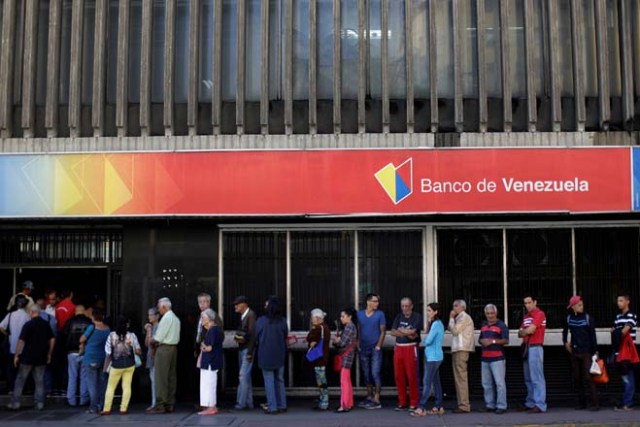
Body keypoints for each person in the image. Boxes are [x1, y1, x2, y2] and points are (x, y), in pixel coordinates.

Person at [7, 304, 55, 411]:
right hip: (41, 357)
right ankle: (39, 403)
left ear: (31, 312)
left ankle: (15, 403)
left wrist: (16, 355)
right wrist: (49, 354)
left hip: (27, 357)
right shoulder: (45, 324)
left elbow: (21, 341)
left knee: (20, 380)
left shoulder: (28, 325)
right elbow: (52, 339)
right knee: (39, 381)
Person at [562, 295, 598, 411]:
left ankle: (595, 403)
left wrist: (595, 352)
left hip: (587, 351)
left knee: (588, 377)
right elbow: (565, 331)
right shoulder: (568, 319)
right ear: (573, 307)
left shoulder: (588, 318)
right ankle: (582, 403)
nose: (581, 307)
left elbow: (593, 336)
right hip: (574, 352)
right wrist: (565, 342)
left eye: (582, 305)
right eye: (579, 305)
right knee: (577, 378)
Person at [101, 316, 142, 415]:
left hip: (116, 365)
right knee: (127, 386)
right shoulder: (132, 335)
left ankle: (106, 409)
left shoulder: (111, 335)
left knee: (111, 387)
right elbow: (138, 350)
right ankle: (123, 409)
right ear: (127, 325)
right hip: (129, 365)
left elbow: (107, 352)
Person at [147, 297, 181, 414]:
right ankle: (170, 403)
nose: (158, 310)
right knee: (171, 377)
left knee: (160, 378)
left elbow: (158, 337)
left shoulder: (166, 319)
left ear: (164, 307)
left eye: (159, 307)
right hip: (173, 349)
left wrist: (151, 339)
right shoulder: (176, 319)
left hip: (163, 348)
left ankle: (160, 404)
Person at [411, 302, 445, 417]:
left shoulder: (435, 324)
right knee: (436, 382)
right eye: (427, 310)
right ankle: (439, 405)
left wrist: (423, 340)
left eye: (429, 310)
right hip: (435, 356)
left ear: (436, 312)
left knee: (427, 382)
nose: (427, 313)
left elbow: (429, 340)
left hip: (433, 357)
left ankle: (421, 407)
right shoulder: (437, 324)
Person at [256, 296, 288, 415]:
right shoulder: (283, 321)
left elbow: (256, 336)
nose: (264, 307)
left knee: (269, 381)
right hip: (280, 354)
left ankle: (272, 407)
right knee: (279, 379)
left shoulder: (261, 321)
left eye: (266, 305)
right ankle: (282, 404)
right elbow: (285, 335)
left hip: (265, 354)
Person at [390, 297, 422, 411]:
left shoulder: (417, 316)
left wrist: (401, 330)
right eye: (402, 306)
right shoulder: (399, 316)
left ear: (411, 306)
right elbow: (393, 332)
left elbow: (414, 332)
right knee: (399, 377)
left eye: (407, 306)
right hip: (399, 348)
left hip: (411, 348)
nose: (405, 308)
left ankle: (414, 402)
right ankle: (402, 402)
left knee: (412, 376)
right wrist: (406, 332)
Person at [518, 294, 547, 413]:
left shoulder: (540, 314)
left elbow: (530, 330)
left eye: (529, 302)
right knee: (528, 378)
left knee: (537, 378)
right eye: (525, 303)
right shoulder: (526, 317)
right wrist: (526, 331)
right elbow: (520, 333)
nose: (527, 305)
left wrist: (525, 331)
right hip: (527, 347)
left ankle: (540, 404)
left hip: (535, 347)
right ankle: (531, 402)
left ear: (535, 302)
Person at [357, 293, 386, 409]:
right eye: (374, 301)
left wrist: (379, 345)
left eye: (377, 301)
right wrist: (358, 343)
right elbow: (358, 329)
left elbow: (383, 331)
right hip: (363, 348)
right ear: (368, 302)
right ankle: (369, 396)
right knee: (366, 374)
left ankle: (377, 399)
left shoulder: (380, 314)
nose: (377, 303)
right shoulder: (359, 314)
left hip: (375, 349)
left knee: (375, 373)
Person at [478, 304, 509, 414]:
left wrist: (493, 341)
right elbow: (480, 339)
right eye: (488, 313)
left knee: (499, 383)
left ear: (496, 313)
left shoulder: (501, 325)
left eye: (492, 313)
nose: (490, 316)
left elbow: (506, 340)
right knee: (486, 384)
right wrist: (482, 341)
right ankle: (489, 405)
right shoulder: (484, 325)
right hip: (485, 357)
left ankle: (501, 406)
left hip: (498, 358)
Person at [80, 308, 111, 414]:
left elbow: (82, 339)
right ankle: (102, 405)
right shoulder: (107, 329)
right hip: (103, 359)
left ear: (93, 317)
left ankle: (93, 407)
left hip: (90, 358)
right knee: (102, 384)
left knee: (92, 384)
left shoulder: (92, 327)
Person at [448, 299, 474, 413]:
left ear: (463, 307)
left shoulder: (464, 317)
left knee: (461, 378)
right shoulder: (459, 318)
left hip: (461, 349)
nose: (454, 308)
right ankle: (462, 403)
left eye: (456, 306)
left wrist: (451, 318)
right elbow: (450, 328)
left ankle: (464, 405)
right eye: (453, 306)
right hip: (458, 349)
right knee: (459, 378)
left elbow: (454, 331)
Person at [0, 295, 31, 393]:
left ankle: (11, 388)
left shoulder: (10, 315)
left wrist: (8, 334)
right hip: (23, 347)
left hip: (11, 346)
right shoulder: (27, 316)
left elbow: (1, 326)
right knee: (22, 370)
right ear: (25, 305)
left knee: (11, 369)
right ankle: (21, 389)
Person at [612, 293, 637, 411]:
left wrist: (617, 331)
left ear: (627, 301)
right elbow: (615, 331)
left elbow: (623, 331)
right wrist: (618, 331)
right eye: (618, 301)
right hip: (619, 351)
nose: (619, 303)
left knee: (628, 377)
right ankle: (626, 401)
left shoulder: (632, 315)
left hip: (628, 352)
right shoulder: (618, 317)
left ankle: (628, 402)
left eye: (621, 300)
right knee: (624, 378)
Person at [64, 305, 92, 407]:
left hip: (72, 352)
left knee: (72, 376)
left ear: (75, 311)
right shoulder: (89, 322)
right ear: (84, 311)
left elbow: (64, 335)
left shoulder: (70, 321)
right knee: (84, 376)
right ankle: (83, 400)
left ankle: (71, 400)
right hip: (85, 352)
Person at [197, 308, 224, 416]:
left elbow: (209, 348)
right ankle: (209, 406)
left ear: (209, 318)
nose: (201, 320)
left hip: (210, 362)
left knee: (209, 385)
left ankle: (211, 406)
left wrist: (203, 346)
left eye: (203, 317)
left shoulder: (213, 330)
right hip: (210, 361)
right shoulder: (214, 330)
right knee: (207, 384)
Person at [233, 295, 257, 411]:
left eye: (237, 304)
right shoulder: (243, 316)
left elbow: (253, 336)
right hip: (243, 349)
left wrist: (250, 353)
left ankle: (240, 403)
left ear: (244, 304)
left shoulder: (250, 315)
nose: (235, 306)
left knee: (242, 376)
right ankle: (249, 402)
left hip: (247, 350)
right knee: (246, 377)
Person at [332, 307, 358, 413]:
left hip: (346, 357)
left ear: (349, 317)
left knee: (344, 382)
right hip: (349, 356)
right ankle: (349, 403)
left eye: (343, 316)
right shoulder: (352, 326)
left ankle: (344, 405)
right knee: (347, 381)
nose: (341, 318)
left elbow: (342, 343)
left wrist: (336, 340)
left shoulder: (349, 327)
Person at [305, 308, 331, 411]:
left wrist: (312, 331)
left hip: (319, 359)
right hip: (323, 358)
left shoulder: (318, 328)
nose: (311, 320)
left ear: (317, 318)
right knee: (322, 381)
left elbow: (309, 337)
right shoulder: (326, 328)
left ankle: (324, 402)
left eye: (312, 318)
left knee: (321, 382)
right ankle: (323, 401)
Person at [144, 307, 161, 410]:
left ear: (157, 315)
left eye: (151, 315)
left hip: (156, 356)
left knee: (156, 380)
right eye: (148, 315)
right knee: (153, 379)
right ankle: (154, 402)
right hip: (151, 355)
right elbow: (147, 343)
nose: (149, 317)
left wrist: (149, 331)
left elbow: (153, 342)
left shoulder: (159, 326)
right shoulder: (150, 327)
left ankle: (156, 403)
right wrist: (148, 331)